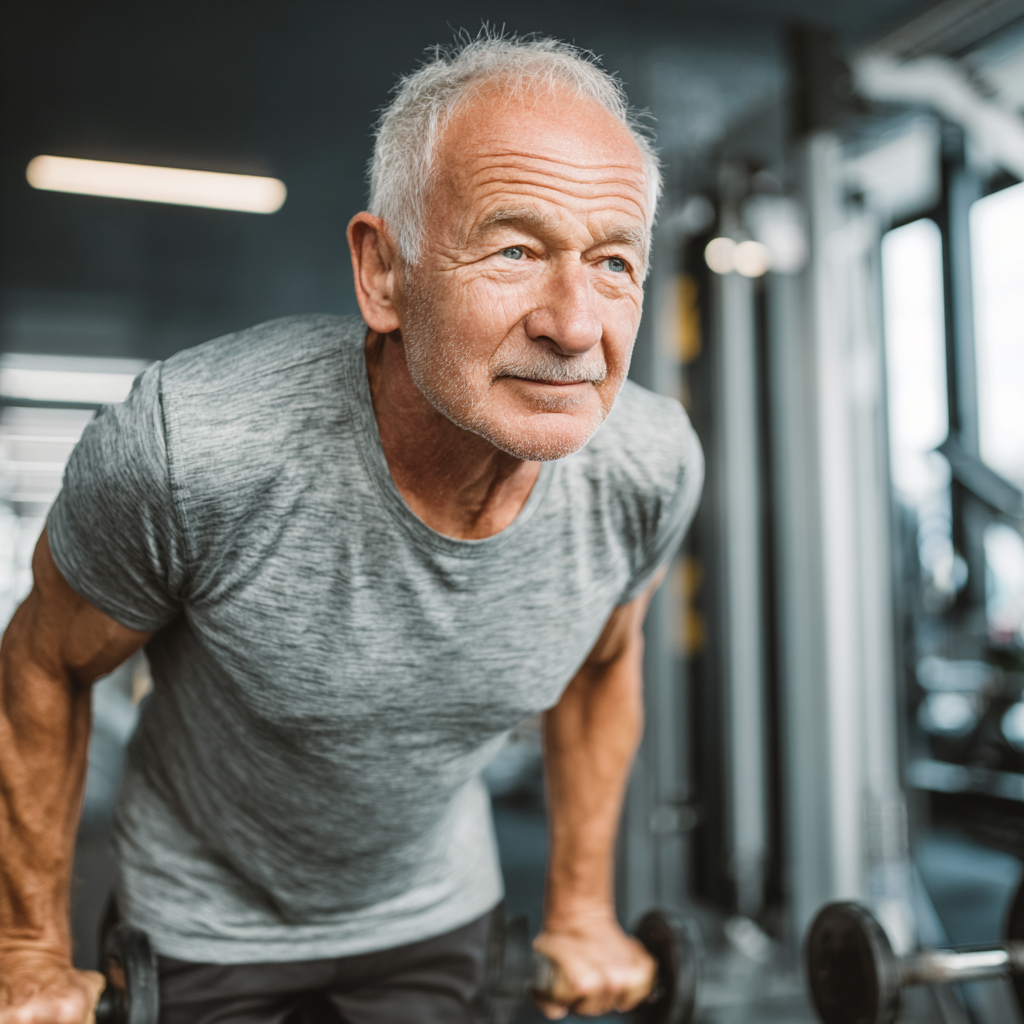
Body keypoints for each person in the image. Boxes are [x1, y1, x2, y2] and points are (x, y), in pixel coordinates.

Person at [0, 34, 703, 1024]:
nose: (576, 325)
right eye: (513, 249)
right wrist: (28, 945)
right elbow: (43, 663)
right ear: (383, 273)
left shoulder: (647, 464)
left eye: (613, 260)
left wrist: (581, 907)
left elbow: (600, 665)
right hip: (203, 918)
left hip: (432, 909)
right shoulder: (193, 449)